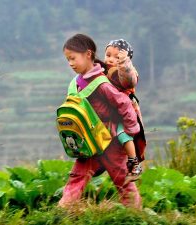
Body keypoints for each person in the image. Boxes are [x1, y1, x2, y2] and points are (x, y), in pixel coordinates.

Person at [58, 34, 141, 209]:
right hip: (90, 140)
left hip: (110, 141)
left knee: (120, 176)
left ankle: (135, 212)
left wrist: (130, 131)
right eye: (68, 60)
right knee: (78, 174)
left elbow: (124, 104)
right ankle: (65, 209)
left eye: (73, 58)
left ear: (88, 54)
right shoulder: (77, 82)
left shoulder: (102, 83)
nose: (70, 63)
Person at [104, 39, 145, 183]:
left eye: (116, 57)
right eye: (108, 55)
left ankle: (134, 163)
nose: (111, 59)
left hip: (125, 113)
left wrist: (123, 62)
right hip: (111, 114)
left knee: (123, 134)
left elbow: (128, 80)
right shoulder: (104, 70)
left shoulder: (128, 72)